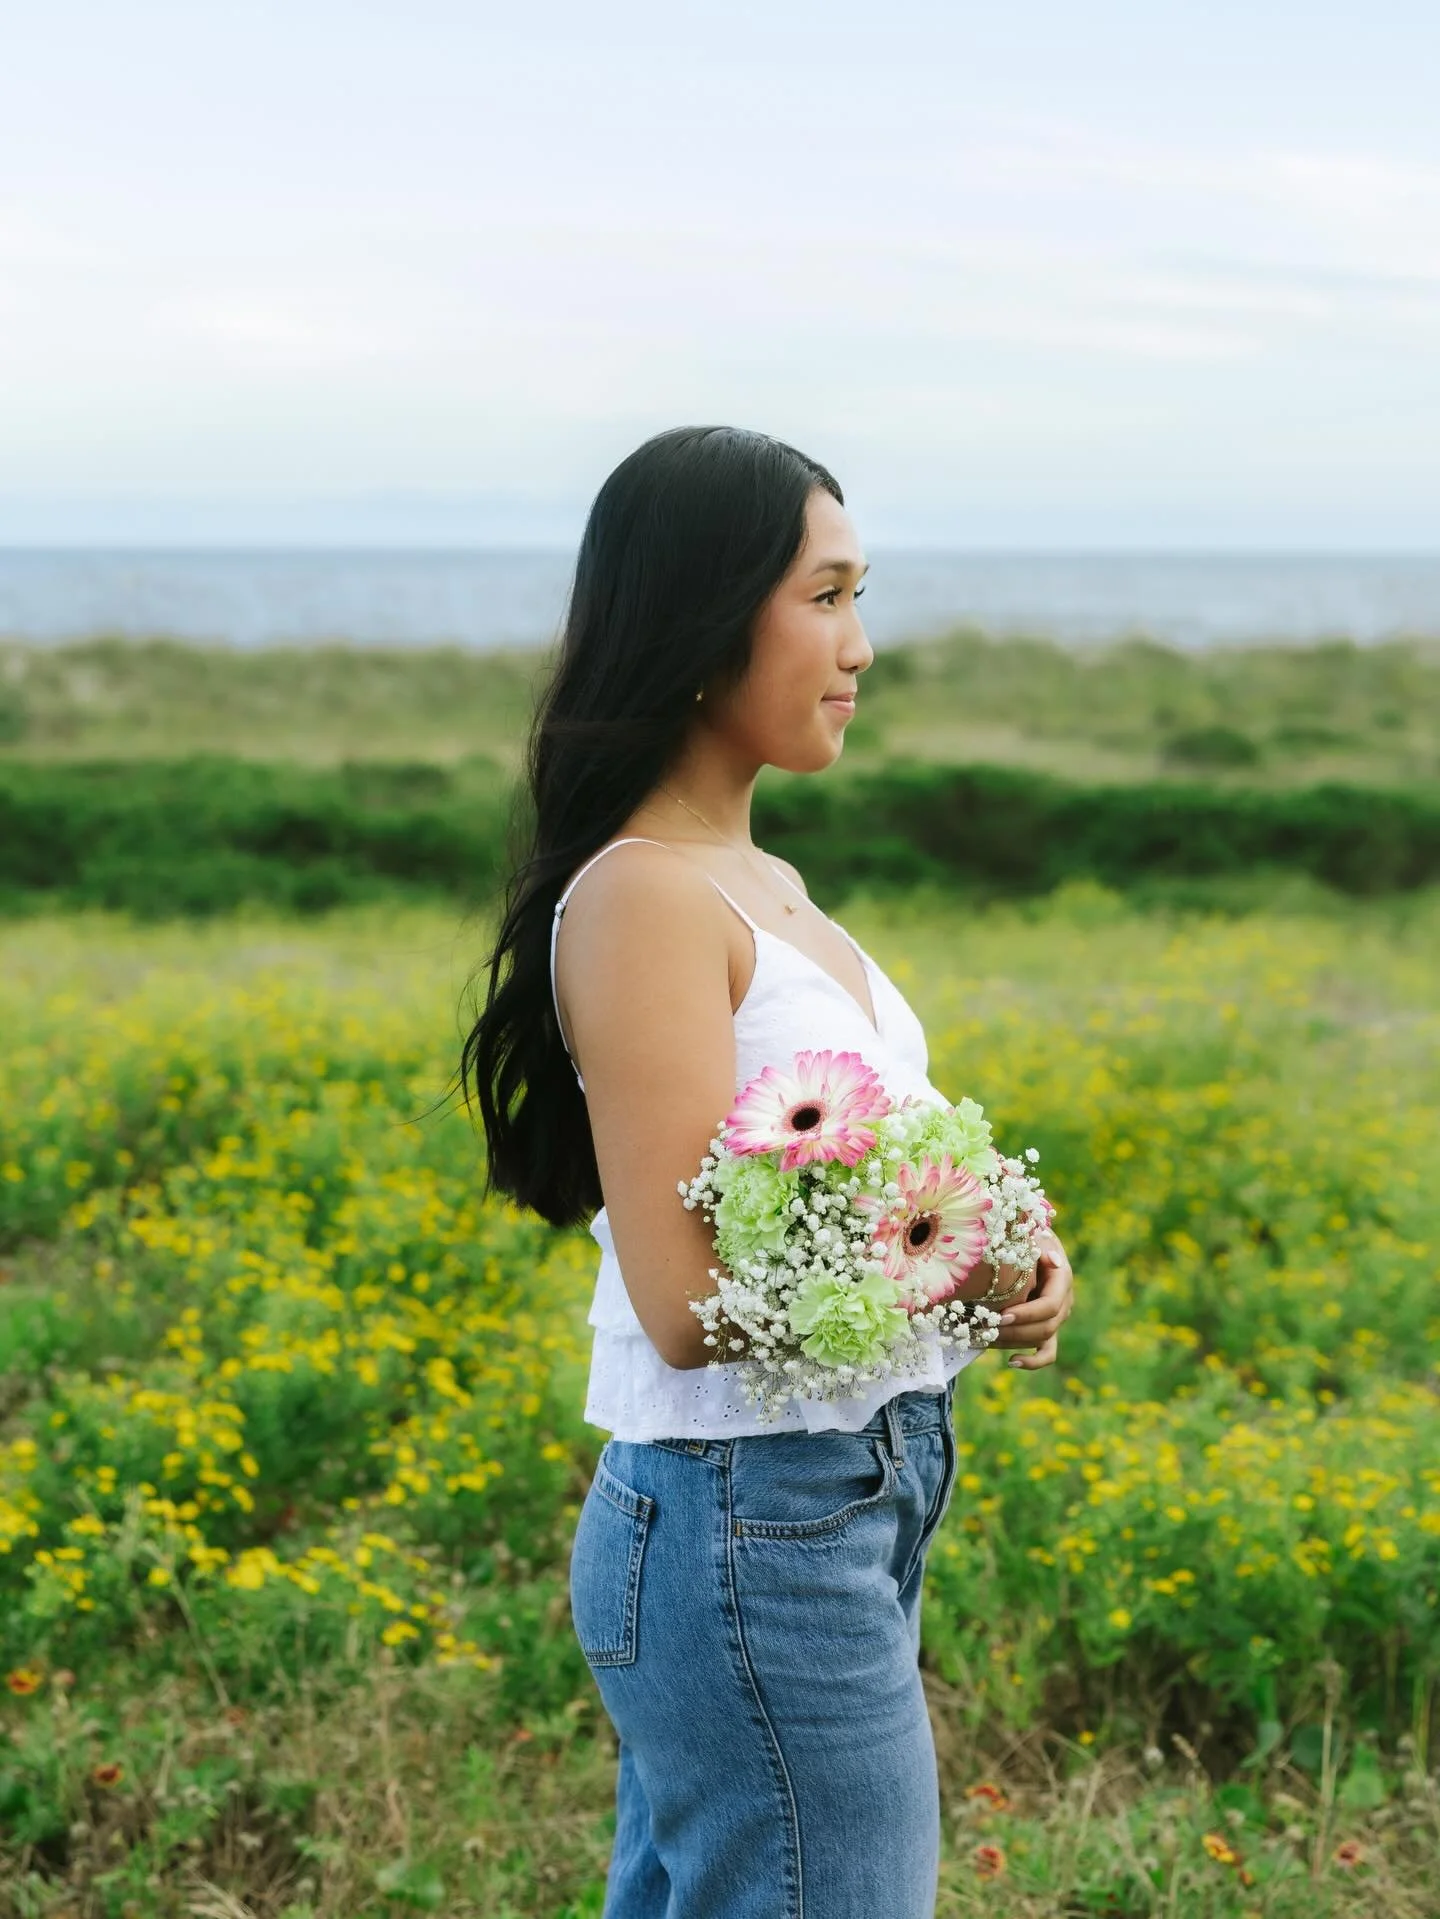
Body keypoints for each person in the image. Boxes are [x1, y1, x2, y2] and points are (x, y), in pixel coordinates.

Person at [461, 425, 1076, 1917]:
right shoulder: (643, 896)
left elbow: (873, 1158)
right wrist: (949, 1269)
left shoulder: (768, 884)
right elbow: (685, 1305)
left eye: (860, 597)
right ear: (700, 613)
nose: (861, 647)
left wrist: (1009, 1236)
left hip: (838, 1497)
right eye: (825, 598)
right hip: (755, 1520)